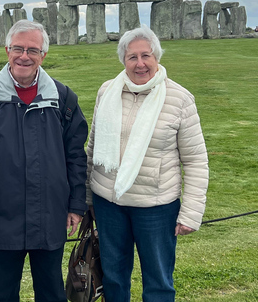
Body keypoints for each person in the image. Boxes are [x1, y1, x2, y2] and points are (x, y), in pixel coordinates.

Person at [0, 19, 88, 302]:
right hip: (3, 215)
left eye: (33, 50)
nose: (24, 56)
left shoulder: (63, 99)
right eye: (18, 48)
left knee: (52, 292)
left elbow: (76, 157)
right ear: (7, 50)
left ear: (43, 55)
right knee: (4, 294)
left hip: (51, 214)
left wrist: (76, 205)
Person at [86, 25, 209, 301]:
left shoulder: (179, 99)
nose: (140, 64)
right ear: (123, 60)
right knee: (114, 278)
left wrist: (191, 212)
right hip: (109, 203)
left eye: (146, 56)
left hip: (156, 207)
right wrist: (87, 198)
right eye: (132, 57)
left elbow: (196, 160)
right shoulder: (107, 91)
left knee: (158, 281)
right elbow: (92, 148)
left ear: (157, 58)